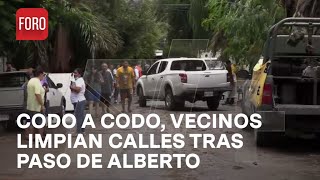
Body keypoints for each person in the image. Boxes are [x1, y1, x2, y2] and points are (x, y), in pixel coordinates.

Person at [25, 67, 46, 140]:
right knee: (40, 123)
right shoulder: (37, 82)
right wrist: (42, 105)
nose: (44, 76)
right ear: (40, 74)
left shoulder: (30, 81)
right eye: (43, 75)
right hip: (37, 107)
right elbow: (37, 94)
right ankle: (40, 138)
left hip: (30, 106)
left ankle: (31, 137)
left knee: (31, 123)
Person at [70, 68, 86, 134]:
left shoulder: (79, 80)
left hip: (79, 100)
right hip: (77, 100)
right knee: (81, 116)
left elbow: (78, 90)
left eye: (76, 73)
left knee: (79, 116)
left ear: (79, 74)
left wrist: (72, 87)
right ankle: (82, 130)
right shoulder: (76, 80)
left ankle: (78, 131)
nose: (74, 74)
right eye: (74, 72)